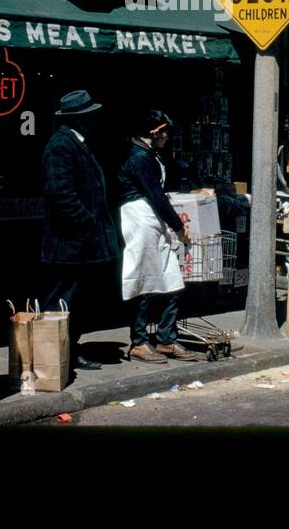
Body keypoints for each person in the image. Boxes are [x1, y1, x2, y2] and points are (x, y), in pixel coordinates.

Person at [41, 90, 119, 372]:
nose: (95, 121)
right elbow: (61, 193)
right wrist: (86, 223)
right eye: (91, 116)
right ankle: (55, 358)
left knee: (75, 302)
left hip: (80, 244)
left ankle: (69, 353)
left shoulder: (77, 143)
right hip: (69, 244)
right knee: (62, 301)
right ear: (81, 119)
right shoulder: (61, 145)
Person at [116, 110, 204, 364]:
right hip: (139, 219)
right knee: (144, 280)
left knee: (171, 279)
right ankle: (140, 342)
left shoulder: (148, 154)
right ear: (154, 133)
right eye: (165, 132)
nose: (167, 137)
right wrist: (178, 226)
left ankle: (166, 338)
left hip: (153, 219)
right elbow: (154, 194)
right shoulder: (138, 158)